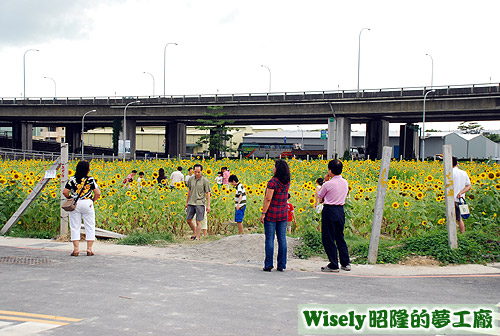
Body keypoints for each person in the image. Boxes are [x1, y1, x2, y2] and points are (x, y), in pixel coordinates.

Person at [317, 159, 351, 272]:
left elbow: (320, 195)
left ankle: (333, 264)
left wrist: (325, 181)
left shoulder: (328, 184)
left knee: (328, 238)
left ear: (330, 171)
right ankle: (346, 263)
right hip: (340, 211)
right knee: (339, 237)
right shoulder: (345, 182)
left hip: (330, 211)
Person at [63, 160, 101, 256]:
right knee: (90, 226)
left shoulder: (72, 179)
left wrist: (70, 199)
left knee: (75, 226)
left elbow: (65, 192)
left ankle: (76, 250)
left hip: (76, 203)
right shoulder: (91, 180)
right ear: (87, 170)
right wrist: (92, 200)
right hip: (87, 203)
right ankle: (89, 249)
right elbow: (98, 193)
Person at [260, 160, 290, 272]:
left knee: (270, 239)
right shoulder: (287, 181)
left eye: (274, 166)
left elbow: (268, 199)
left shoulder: (272, 182)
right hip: (283, 213)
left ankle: (268, 264)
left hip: (272, 214)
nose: (273, 168)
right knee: (282, 239)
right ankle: (282, 265)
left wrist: (263, 213)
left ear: (278, 169)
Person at [185, 164, 211, 240]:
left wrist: (208, 205)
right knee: (188, 220)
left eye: (198, 172)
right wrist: (187, 202)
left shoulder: (205, 181)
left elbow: (208, 192)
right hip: (191, 202)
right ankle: (194, 232)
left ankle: (197, 237)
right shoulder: (190, 179)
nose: (197, 174)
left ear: (201, 171)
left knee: (198, 221)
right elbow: (189, 190)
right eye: (195, 172)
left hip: (200, 203)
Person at [453, 157, 471, 234]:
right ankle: (462, 234)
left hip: (452, 200)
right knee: (459, 219)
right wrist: (461, 193)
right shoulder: (464, 173)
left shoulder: (449, 173)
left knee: (452, 219)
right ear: (457, 163)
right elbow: (468, 186)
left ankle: (454, 235)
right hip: (461, 200)